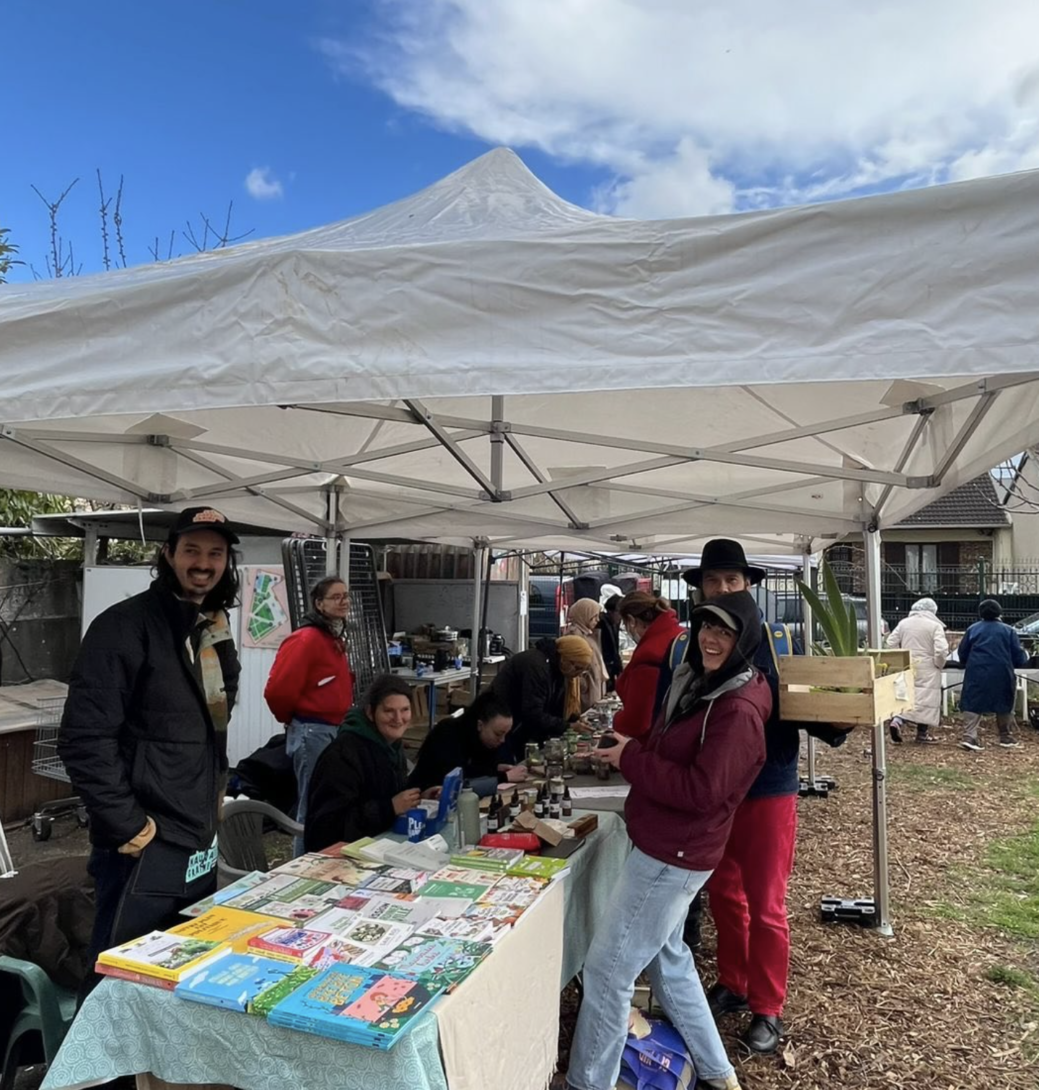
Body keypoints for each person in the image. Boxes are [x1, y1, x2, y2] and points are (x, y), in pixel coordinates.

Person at [564, 591, 769, 1090]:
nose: (711, 639)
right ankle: (719, 1073)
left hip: (673, 853)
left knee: (608, 970)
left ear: (744, 639)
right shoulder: (706, 683)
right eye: (706, 627)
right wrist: (635, 749)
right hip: (672, 845)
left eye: (724, 631)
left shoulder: (735, 706)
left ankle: (588, 1083)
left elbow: (702, 791)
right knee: (669, 961)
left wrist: (630, 759)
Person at [57, 507, 242, 997]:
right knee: (118, 984)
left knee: (175, 981)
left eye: (215, 553)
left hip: (197, 837)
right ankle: (89, 1075)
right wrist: (131, 828)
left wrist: (212, 804)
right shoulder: (123, 627)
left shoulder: (211, 631)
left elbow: (212, 728)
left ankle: (155, 1077)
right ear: (168, 554)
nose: (204, 563)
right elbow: (83, 739)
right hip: (145, 843)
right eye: (192, 550)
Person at [686, 538, 847, 1055]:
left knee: (767, 902)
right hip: (717, 791)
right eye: (714, 581)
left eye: (733, 581)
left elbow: (802, 703)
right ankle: (733, 982)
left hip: (769, 788)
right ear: (703, 590)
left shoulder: (778, 641)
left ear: (749, 585)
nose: (724, 589)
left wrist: (839, 719)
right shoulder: (699, 640)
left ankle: (767, 1006)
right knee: (724, 894)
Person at [264, 575, 355, 854]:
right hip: (313, 730)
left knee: (325, 802)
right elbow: (277, 691)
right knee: (311, 805)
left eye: (346, 596)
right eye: (336, 597)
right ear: (319, 603)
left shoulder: (332, 638)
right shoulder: (306, 639)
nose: (343, 602)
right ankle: (301, 865)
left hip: (330, 729)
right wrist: (293, 720)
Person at [304, 674, 430, 851]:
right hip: (338, 857)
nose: (398, 718)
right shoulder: (343, 755)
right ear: (371, 713)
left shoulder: (391, 746)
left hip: (377, 846)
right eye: (389, 711)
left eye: (404, 710)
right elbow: (329, 827)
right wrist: (389, 808)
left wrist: (419, 798)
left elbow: (387, 793)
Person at [407, 690, 524, 797]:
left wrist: (495, 768)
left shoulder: (482, 741)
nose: (502, 740)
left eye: (506, 735)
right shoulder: (448, 734)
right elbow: (456, 781)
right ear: (480, 725)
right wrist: (503, 777)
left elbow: (476, 768)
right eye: (498, 734)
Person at [490, 635, 593, 750]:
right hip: (504, 727)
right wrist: (568, 726)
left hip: (516, 727)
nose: (577, 675)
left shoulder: (557, 670)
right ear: (567, 659)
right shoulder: (537, 667)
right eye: (577, 668)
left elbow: (554, 708)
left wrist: (574, 720)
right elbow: (533, 713)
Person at [956, 599, 1029, 751]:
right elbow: (1019, 657)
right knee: (1004, 701)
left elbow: (962, 652)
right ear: (999, 612)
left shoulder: (973, 629)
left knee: (972, 700)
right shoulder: (1008, 631)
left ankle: (970, 736)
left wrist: (966, 661)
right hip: (1002, 671)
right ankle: (1005, 736)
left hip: (977, 671)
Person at [611, 591, 684, 740]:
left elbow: (638, 721)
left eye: (625, 625)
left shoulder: (650, 655)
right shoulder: (677, 634)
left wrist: (617, 719)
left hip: (657, 739)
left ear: (632, 621)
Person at [885, 597, 949, 744]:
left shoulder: (903, 624)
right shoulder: (934, 626)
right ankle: (922, 733)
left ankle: (897, 720)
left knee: (907, 695)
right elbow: (941, 650)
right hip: (928, 667)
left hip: (907, 664)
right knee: (925, 699)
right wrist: (939, 664)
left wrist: (899, 661)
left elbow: (890, 644)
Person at [564, 598, 608, 710]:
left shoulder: (588, 635)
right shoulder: (575, 636)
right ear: (585, 615)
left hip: (592, 690)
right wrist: (584, 686)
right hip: (584, 695)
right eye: (594, 616)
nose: (597, 620)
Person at [599, 594, 624, 690]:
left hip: (612, 667)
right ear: (611, 611)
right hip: (605, 667)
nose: (621, 617)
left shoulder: (614, 625)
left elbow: (615, 649)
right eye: (619, 613)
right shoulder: (602, 623)